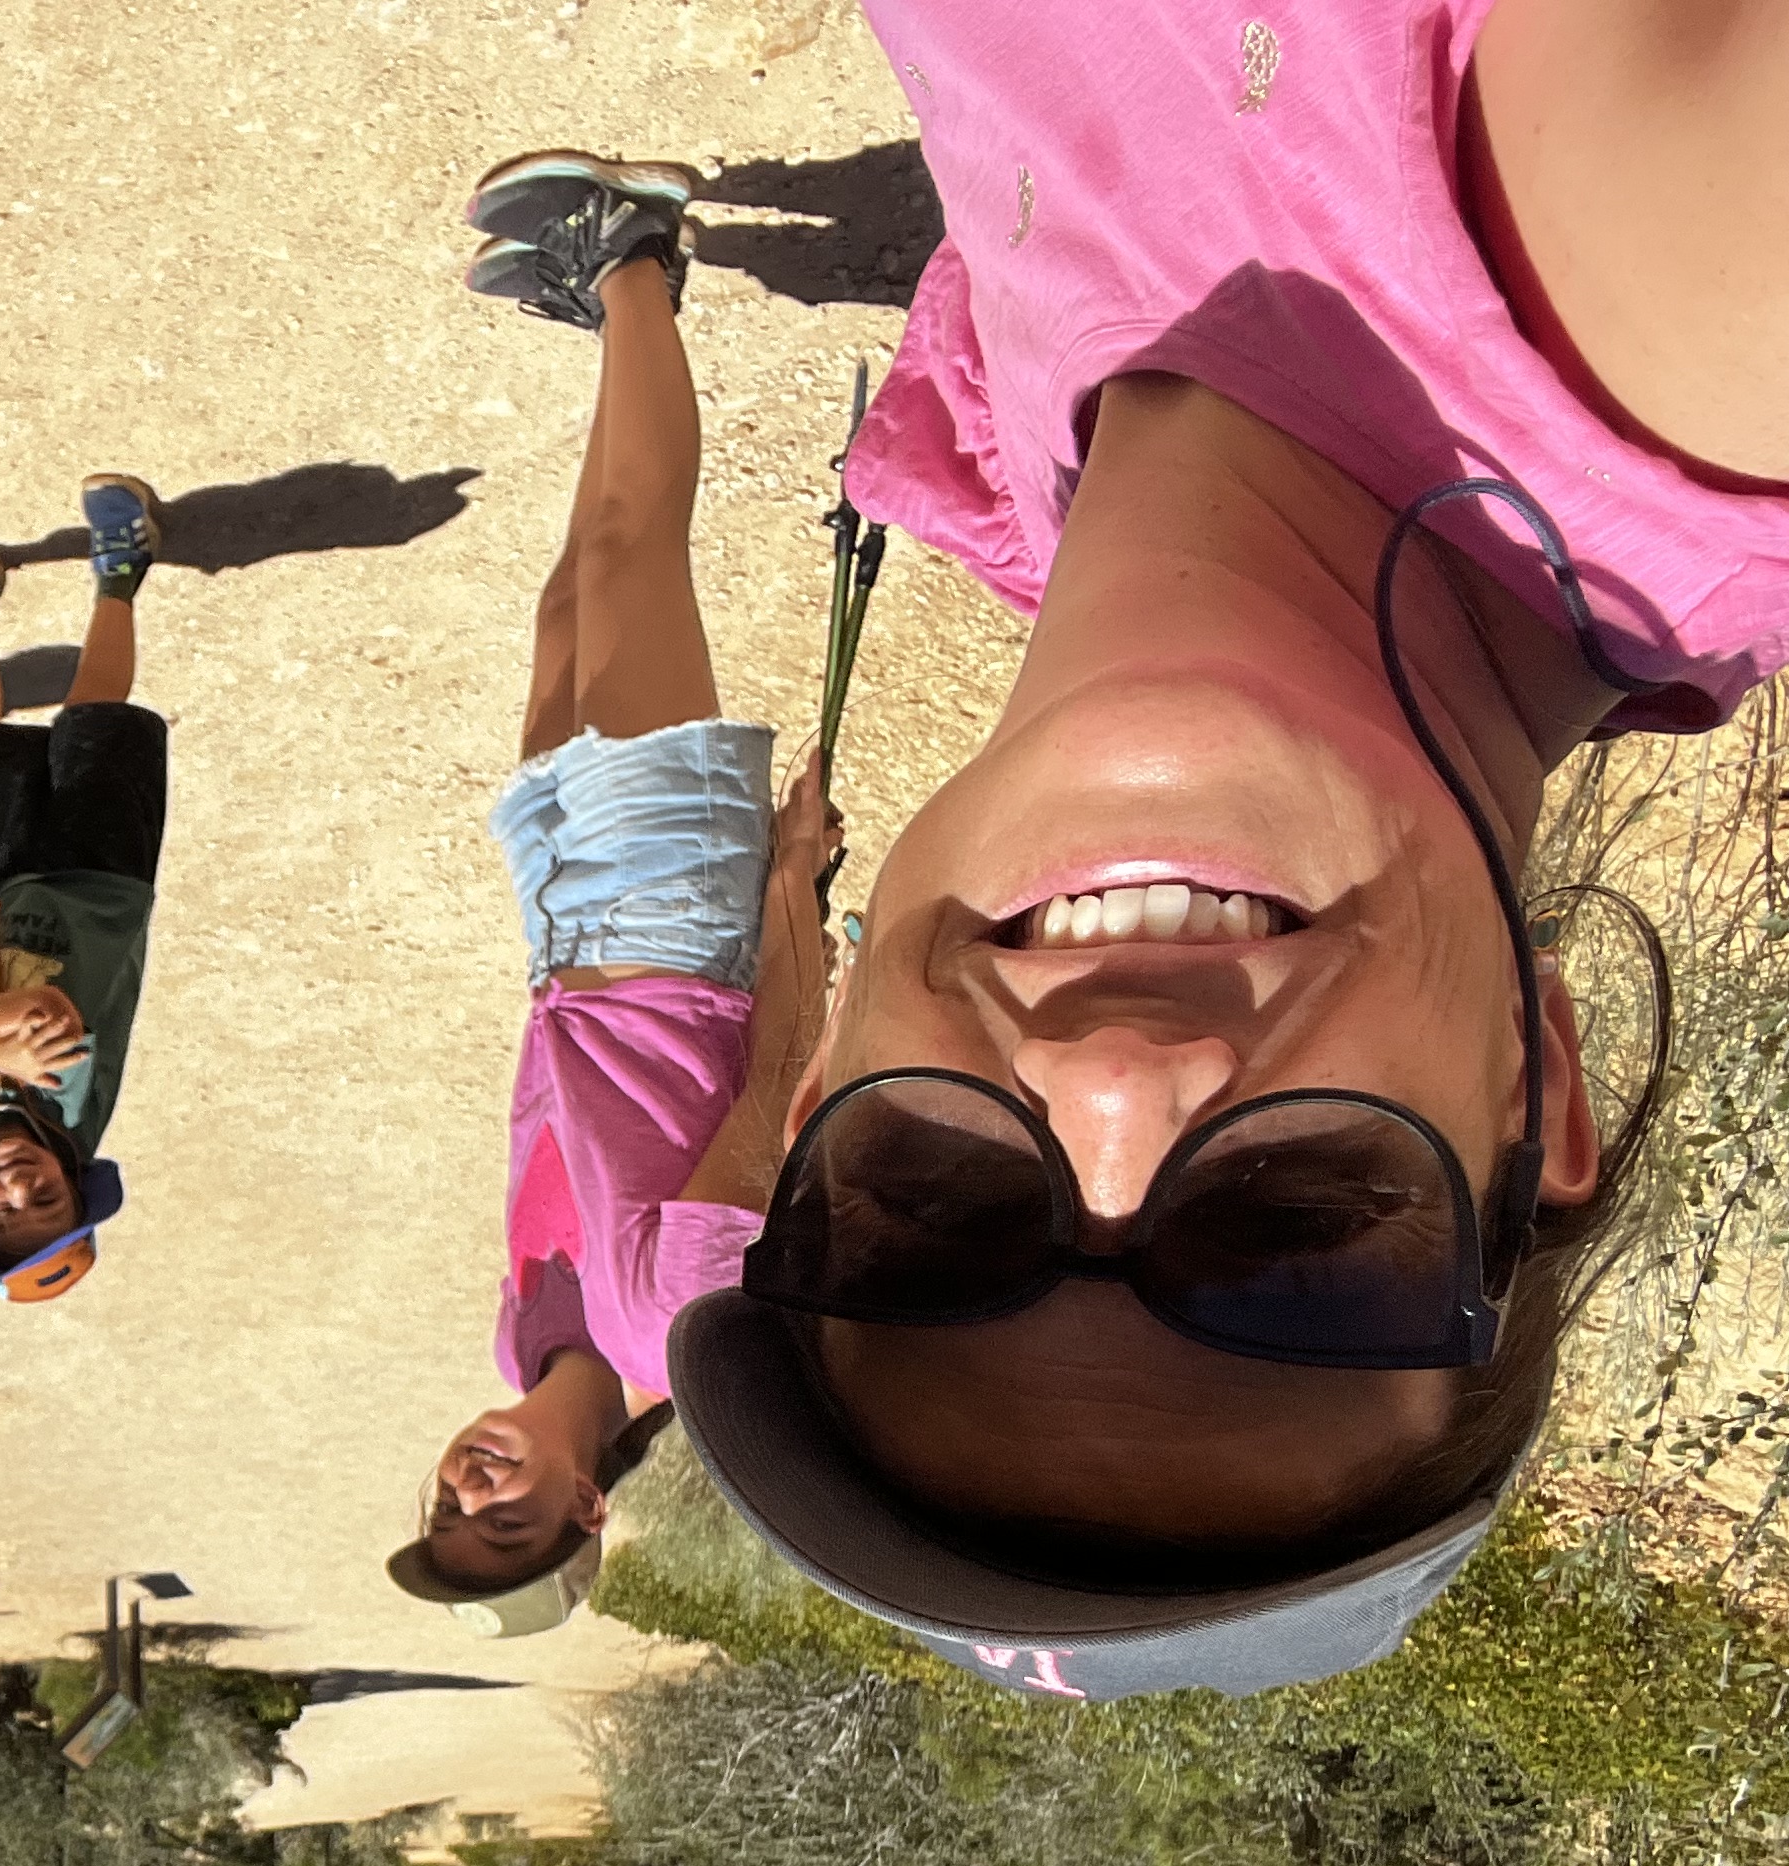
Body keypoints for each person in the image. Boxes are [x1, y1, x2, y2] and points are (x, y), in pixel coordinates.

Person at [668, 0, 1789, 1701]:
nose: (1115, 1080)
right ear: (1537, 1091)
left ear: (820, 1077)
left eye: (940, 1206)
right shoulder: (1683, 309)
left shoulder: (1053, 474)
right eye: (1296, 1221)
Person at [393, 159, 840, 1634]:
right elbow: (771, 1087)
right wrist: (792, 885)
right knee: (634, 550)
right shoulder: (673, 1327)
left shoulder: (523, 1334)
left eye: (449, 1513)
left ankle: (617, 310)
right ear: (591, 1508)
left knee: (570, 603)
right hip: (674, 930)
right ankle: (634, 247)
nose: (471, 1491)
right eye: (506, 1522)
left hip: (567, 942)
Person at [0, 479, 172, 1305]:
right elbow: (21, 1025)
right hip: (102, 884)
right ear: (74, 1179)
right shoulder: (75, 1111)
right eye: (46, 1199)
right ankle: (122, 570)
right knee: (93, 714)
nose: (16, 1188)